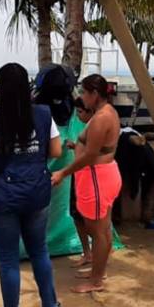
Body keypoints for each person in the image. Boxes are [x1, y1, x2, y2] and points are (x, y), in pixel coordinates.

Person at [0, 63, 69, 307]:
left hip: (4, 197)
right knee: (39, 251)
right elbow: (56, 150)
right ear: (27, 86)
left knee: (8, 259)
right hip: (37, 193)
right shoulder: (43, 114)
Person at [51, 74, 122, 294]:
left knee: (98, 231)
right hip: (101, 175)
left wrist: (63, 173)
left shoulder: (101, 118)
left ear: (95, 94)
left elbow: (91, 155)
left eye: (84, 92)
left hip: (97, 178)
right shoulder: (106, 113)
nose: (81, 97)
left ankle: (96, 281)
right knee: (103, 229)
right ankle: (98, 272)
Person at [65, 97, 94, 270]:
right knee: (77, 215)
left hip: (90, 178)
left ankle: (96, 263)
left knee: (92, 221)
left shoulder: (97, 127)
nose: (78, 115)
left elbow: (92, 155)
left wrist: (63, 173)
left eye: (80, 112)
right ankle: (87, 253)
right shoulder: (85, 127)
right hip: (79, 176)